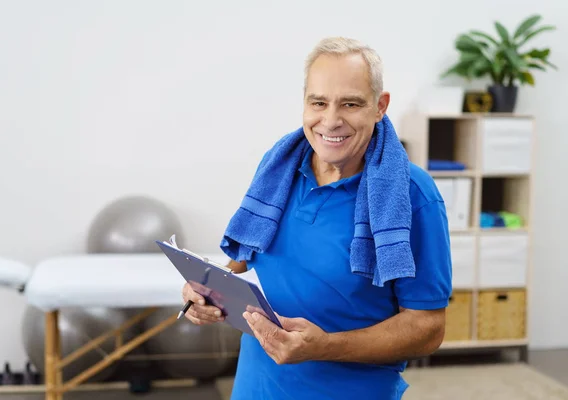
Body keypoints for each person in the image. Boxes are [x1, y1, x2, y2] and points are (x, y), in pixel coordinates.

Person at [181, 37, 452, 399]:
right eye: (319, 103)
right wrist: (204, 291)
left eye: (351, 104)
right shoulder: (278, 171)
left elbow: (428, 328)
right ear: (305, 104)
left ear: (379, 106)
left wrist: (324, 346)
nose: (331, 120)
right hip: (257, 386)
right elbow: (241, 260)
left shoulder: (413, 196)